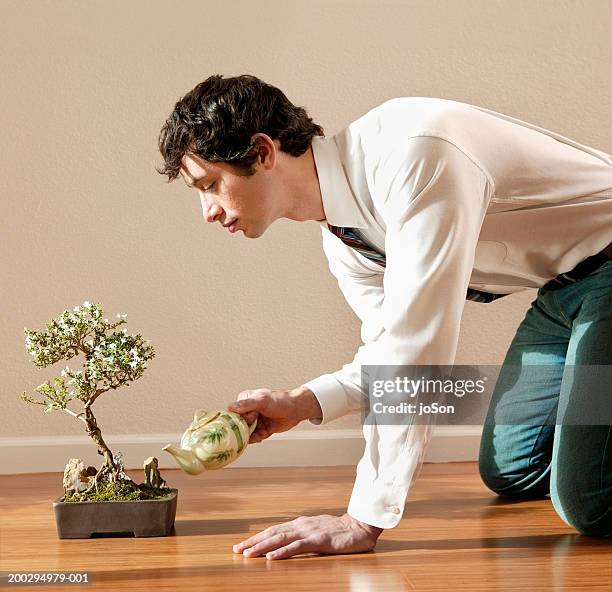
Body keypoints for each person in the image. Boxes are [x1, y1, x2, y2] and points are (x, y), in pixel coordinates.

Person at [157, 74, 612, 558]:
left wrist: (362, 519)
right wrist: (304, 401)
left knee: (589, 502)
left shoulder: (415, 155)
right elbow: (390, 351)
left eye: (210, 185)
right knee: (512, 468)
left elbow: (419, 354)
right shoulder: (346, 242)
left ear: (263, 152)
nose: (208, 211)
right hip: (565, 290)